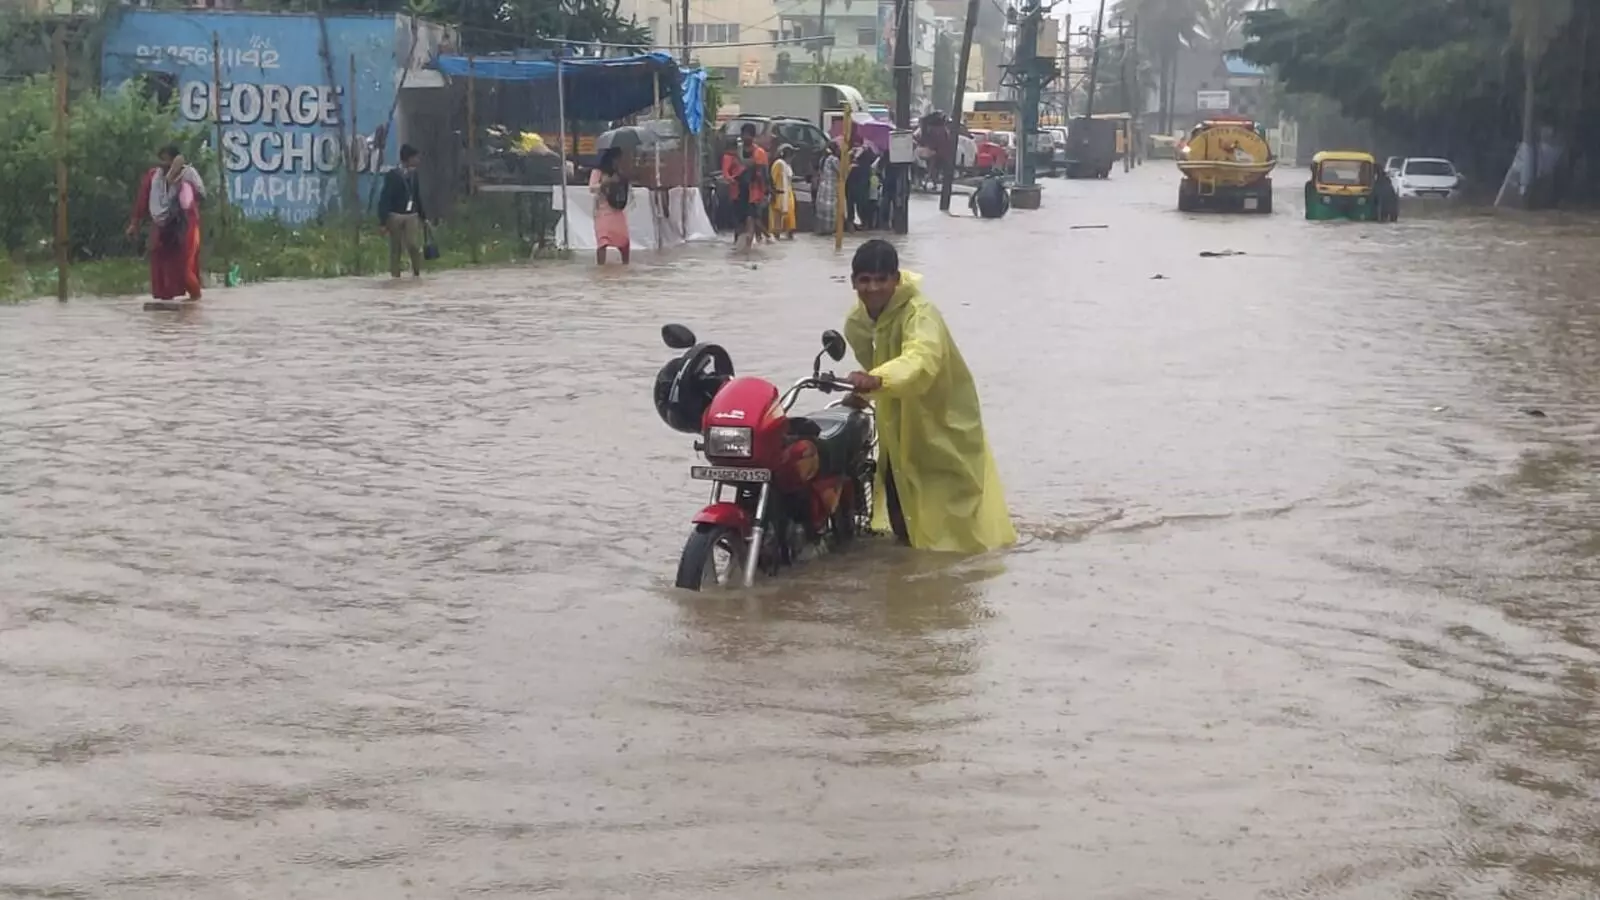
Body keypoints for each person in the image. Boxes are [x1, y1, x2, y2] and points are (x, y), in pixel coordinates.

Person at [840, 239, 1016, 553]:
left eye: (881, 279)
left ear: (896, 279)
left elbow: (921, 360)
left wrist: (877, 380)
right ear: (853, 281)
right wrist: (867, 391)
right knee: (901, 509)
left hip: (942, 423)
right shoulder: (857, 323)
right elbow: (877, 366)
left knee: (952, 521)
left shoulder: (920, 314)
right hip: (898, 425)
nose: (873, 288)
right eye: (864, 280)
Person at [126, 144, 205, 303]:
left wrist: (178, 181)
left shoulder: (188, 175)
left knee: (184, 266)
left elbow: (198, 197)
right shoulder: (153, 176)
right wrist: (134, 223)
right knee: (160, 264)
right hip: (161, 225)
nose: (164, 164)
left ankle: (195, 301)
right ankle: (164, 302)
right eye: (161, 160)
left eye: (167, 160)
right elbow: (142, 200)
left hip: (185, 226)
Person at [377, 144, 428, 278]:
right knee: (396, 247)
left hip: (411, 215)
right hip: (395, 216)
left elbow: (417, 196)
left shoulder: (414, 175)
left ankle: (416, 273)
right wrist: (383, 222)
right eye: (415, 158)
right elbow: (385, 198)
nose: (418, 161)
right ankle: (395, 275)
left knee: (413, 244)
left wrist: (423, 217)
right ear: (408, 158)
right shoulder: (393, 175)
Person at [721, 123, 769, 250]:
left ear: (753, 137)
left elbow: (764, 174)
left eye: (748, 135)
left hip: (754, 192)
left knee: (751, 218)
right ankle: (739, 246)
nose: (745, 137)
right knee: (738, 221)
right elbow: (727, 170)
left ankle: (749, 246)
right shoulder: (735, 152)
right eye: (744, 134)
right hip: (738, 191)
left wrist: (766, 192)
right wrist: (730, 178)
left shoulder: (759, 153)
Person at [589, 147, 632, 264]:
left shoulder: (620, 172)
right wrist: (605, 183)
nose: (619, 161)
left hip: (617, 209)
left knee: (624, 241)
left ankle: (625, 265)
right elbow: (592, 188)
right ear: (611, 159)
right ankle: (601, 267)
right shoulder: (598, 172)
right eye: (617, 159)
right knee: (603, 240)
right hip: (602, 210)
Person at [845, 136, 877, 230]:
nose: (856, 146)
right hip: (851, 182)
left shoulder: (866, 152)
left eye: (857, 144)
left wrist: (864, 151)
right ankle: (851, 223)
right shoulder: (849, 154)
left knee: (862, 203)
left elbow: (872, 161)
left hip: (862, 182)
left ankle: (864, 223)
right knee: (850, 203)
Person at [768, 144, 798, 240]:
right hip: (780, 194)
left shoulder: (787, 165)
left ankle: (787, 235)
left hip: (787, 193)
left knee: (789, 217)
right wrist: (774, 192)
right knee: (778, 217)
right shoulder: (779, 164)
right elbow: (773, 179)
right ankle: (776, 236)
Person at [814, 141, 842, 236]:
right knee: (831, 209)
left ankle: (822, 230)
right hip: (831, 187)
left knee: (823, 209)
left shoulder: (823, 159)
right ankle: (829, 230)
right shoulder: (833, 159)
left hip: (823, 187)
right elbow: (842, 172)